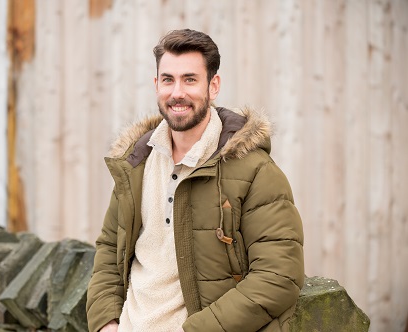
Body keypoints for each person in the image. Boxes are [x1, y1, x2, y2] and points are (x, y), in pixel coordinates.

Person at [86, 29, 304, 332]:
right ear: (156, 84)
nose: (177, 92)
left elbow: (279, 276)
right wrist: (105, 323)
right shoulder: (136, 163)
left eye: (190, 79)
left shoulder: (255, 171)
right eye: (168, 79)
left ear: (213, 86)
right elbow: (111, 248)